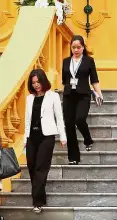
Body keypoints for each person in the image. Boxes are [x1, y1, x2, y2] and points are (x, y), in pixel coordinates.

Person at [24, 69, 67, 214]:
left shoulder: (53, 96)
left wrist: (63, 136)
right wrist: (25, 138)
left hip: (47, 136)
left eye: (38, 82)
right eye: (33, 82)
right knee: (31, 167)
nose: (36, 85)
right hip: (32, 137)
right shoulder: (29, 98)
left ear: (43, 81)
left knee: (40, 168)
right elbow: (27, 120)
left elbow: (59, 118)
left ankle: (37, 202)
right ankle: (40, 196)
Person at [62, 35, 102, 164]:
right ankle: (73, 157)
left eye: (78, 47)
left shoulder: (89, 61)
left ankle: (87, 139)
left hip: (84, 94)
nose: (76, 50)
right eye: (73, 47)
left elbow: (94, 79)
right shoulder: (66, 61)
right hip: (69, 95)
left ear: (83, 47)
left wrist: (99, 94)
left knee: (79, 119)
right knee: (69, 125)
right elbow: (64, 80)